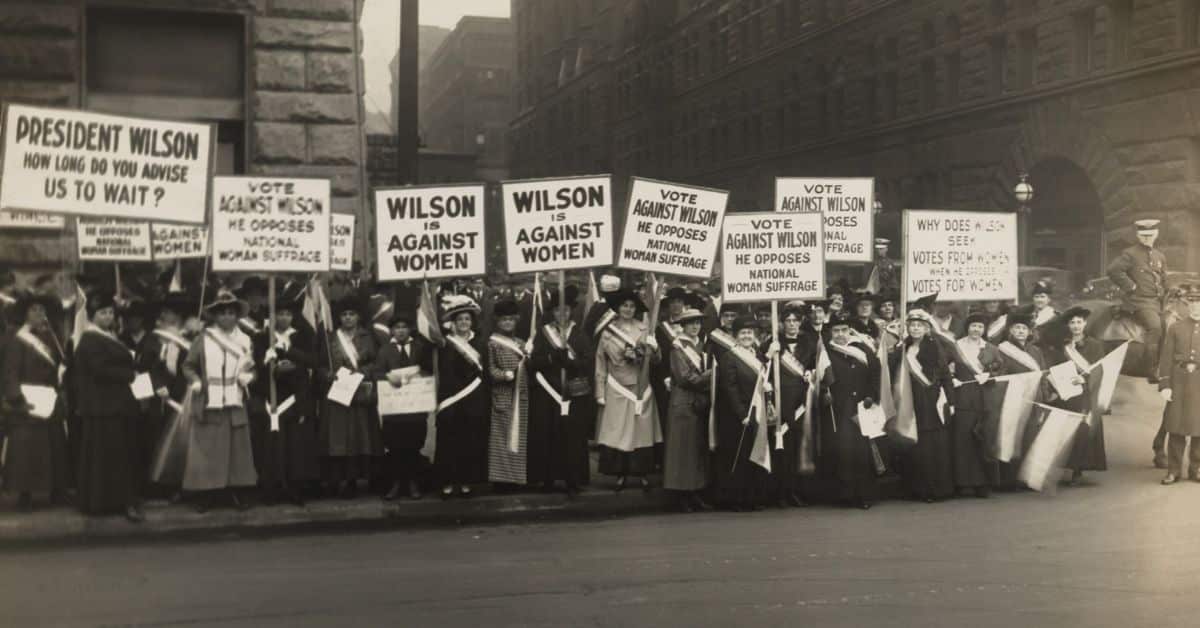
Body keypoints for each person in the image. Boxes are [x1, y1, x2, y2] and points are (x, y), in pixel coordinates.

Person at [180, 289, 259, 512]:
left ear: (237, 316)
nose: (227, 317)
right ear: (215, 316)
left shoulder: (245, 340)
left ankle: (236, 492)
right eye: (222, 313)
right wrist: (195, 381)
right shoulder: (203, 339)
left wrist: (249, 377)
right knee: (208, 450)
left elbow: (254, 369)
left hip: (234, 401)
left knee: (237, 450)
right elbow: (188, 366)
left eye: (231, 313)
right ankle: (207, 494)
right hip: (210, 402)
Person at [74, 292, 144, 521]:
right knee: (109, 454)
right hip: (103, 405)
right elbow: (99, 369)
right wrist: (129, 374)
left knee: (115, 454)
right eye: (103, 313)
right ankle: (109, 501)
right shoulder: (90, 339)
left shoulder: (109, 336)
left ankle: (113, 499)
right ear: (93, 317)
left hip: (114, 403)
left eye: (111, 312)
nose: (108, 316)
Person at [1, 292, 70, 512]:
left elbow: (57, 364)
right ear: (25, 314)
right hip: (27, 397)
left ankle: (57, 490)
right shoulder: (16, 340)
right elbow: (10, 371)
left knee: (54, 444)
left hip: (49, 396)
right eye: (35, 310)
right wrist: (15, 397)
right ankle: (25, 493)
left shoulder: (52, 339)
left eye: (43, 310)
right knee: (26, 449)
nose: (40, 314)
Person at [253, 289, 320, 505]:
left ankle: (294, 488)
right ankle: (271, 488)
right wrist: (270, 366)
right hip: (271, 394)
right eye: (279, 313)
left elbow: (312, 361)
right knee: (272, 443)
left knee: (295, 444)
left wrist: (289, 355)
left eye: (287, 314)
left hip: (296, 394)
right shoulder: (262, 337)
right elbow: (255, 367)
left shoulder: (302, 335)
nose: (283, 318)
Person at [528, 286, 593, 496]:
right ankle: (547, 478)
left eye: (565, 309)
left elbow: (588, 362)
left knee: (572, 437)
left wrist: (571, 362)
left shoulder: (580, 334)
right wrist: (550, 359)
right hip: (548, 391)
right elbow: (533, 362)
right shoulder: (543, 333)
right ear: (552, 312)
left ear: (570, 311)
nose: (562, 313)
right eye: (557, 310)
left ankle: (572, 479)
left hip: (572, 391)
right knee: (549, 435)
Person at [594, 289, 660, 491]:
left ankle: (641, 473)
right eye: (624, 305)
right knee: (618, 431)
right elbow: (600, 363)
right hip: (617, 386)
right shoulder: (608, 332)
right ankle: (620, 473)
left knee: (641, 432)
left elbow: (657, 362)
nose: (628, 309)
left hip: (641, 387)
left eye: (631, 306)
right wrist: (600, 392)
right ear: (618, 308)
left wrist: (653, 349)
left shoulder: (645, 329)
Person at [318, 294, 382, 498]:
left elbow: (376, 363)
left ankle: (355, 479)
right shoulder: (329, 339)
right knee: (338, 439)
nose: (347, 318)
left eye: (351, 314)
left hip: (360, 393)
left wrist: (363, 373)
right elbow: (319, 365)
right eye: (344, 315)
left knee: (360, 438)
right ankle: (338, 479)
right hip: (338, 394)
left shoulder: (367, 336)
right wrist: (328, 375)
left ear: (358, 317)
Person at [893, 309, 956, 503]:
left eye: (919, 325)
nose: (915, 328)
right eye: (912, 325)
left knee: (931, 447)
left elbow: (945, 376)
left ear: (927, 328)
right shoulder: (903, 348)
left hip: (931, 401)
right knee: (914, 446)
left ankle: (935, 489)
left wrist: (951, 401)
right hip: (910, 402)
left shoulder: (935, 346)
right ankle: (916, 488)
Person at [822, 311, 881, 509]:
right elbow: (820, 378)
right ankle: (845, 495)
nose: (840, 334)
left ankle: (865, 496)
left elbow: (876, 373)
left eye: (844, 330)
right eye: (836, 330)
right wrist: (824, 393)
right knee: (844, 452)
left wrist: (872, 396)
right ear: (830, 332)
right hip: (839, 410)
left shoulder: (862, 349)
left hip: (863, 407)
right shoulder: (825, 352)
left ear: (850, 330)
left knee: (863, 452)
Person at [713, 315, 772, 511]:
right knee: (737, 457)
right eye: (743, 333)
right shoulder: (729, 357)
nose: (747, 336)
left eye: (749, 333)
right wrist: (741, 414)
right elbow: (730, 388)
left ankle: (753, 497)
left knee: (753, 456)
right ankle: (735, 499)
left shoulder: (758, 356)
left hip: (757, 412)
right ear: (735, 336)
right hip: (738, 416)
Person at [1043, 306, 1107, 485]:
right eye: (1072, 322)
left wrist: (1086, 379)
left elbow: (1100, 369)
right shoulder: (1062, 345)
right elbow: (1053, 368)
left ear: (1085, 324)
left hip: (1086, 393)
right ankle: (1064, 466)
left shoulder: (1095, 345)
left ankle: (1078, 469)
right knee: (1065, 429)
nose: (1076, 326)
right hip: (1067, 393)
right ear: (1068, 325)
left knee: (1083, 430)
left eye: (1079, 322)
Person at [374, 314, 433, 501]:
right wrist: (386, 377)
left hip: (415, 409)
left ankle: (413, 483)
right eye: (397, 327)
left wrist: (419, 375)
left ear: (410, 330)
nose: (400, 330)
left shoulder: (420, 348)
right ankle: (396, 483)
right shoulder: (385, 350)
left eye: (404, 327)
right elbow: (376, 373)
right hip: (394, 410)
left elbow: (429, 370)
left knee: (414, 444)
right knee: (395, 446)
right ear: (391, 330)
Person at [435, 295, 490, 498]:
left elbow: (485, 372)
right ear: (453, 323)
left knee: (470, 441)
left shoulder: (481, 342)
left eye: (467, 319)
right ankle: (447, 481)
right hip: (451, 398)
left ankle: (466, 480)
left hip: (474, 398)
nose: (464, 323)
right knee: (449, 441)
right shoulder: (445, 344)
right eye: (460, 320)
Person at [994, 307, 1052, 490]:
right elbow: (999, 375)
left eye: (1024, 329)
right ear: (1010, 330)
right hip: (1012, 400)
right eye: (1017, 328)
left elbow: (1042, 375)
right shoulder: (1002, 350)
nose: (1020, 332)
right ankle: (1008, 479)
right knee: (1010, 436)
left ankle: (1025, 477)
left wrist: (1045, 396)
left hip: (1034, 399)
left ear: (1029, 332)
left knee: (1030, 436)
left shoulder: (1036, 351)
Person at [949, 312, 1005, 497]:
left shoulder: (991, 348)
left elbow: (1001, 369)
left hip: (985, 398)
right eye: (973, 325)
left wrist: (990, 375)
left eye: (980, 327)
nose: (976, 329)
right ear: (967, 327)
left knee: (984, 440)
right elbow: (945, 368)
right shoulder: (955, 347)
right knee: (963, 440)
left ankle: (984, 483)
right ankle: (964, 482)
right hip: (963, 398)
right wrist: (952, 379)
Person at [663, 305, 712, 512]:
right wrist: (710, 376)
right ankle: (681, 495)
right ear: (682, 326)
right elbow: (684, 377)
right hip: (683, 402)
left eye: (698, 322)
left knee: (696, 450)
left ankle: (695, 492)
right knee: (682, 450)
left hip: (699, 402)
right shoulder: (678, 348)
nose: (695, 326)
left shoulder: (701, 345)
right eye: (691, 323)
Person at [1108, 218, 1167, 381]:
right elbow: (1113, 270)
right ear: (1138, 236)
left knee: (1170, 324)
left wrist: (1168, 292)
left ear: (1156, 235)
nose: (1147, 238)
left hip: (1156, 302)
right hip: (1138, 302)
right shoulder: (1130, 253)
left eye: (1150, 235)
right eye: (1144, 236)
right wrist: (1130, 287)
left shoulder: (1159, 256)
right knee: (1155, 327)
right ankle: (1151, 369)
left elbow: (1163, 278)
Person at [1156, 283, 1200, 485]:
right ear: (1186, 305)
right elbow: (1166, 359)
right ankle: (1173, 470)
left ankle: (1196, 469)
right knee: (1175, 426)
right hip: (1179, 381)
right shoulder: (1176, 328)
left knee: (1199, 428)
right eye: (1191, 302)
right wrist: (1165, 385)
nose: (1195, 306)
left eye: (1199, 302)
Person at [769, 305, 810, 508]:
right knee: (781, 449)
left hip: (801, 403)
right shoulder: (773, 343)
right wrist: (768, 353)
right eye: (788, 321)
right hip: (780, 401)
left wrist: (811, 373)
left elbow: (815, 366)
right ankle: (779, 492)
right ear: (782, 323)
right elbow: (762, 368)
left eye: (795, 320)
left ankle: (795, 490)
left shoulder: (808, 343)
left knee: (797, 447)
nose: (792, 324)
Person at [487, 298, 530, 487]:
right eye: (504, 319)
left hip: (521, 396)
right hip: (502, 395)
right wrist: (504, 375)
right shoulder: (492, 343)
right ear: (498, 321)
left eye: (511, 319)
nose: (507, 323)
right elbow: (489, 369)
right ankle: (500, 480)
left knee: (518, 438)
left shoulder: (522, 343)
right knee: (501, 439)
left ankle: (516, 478)